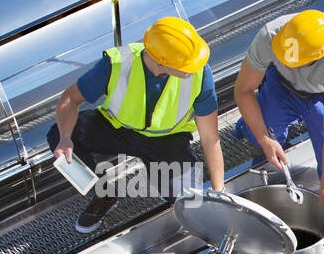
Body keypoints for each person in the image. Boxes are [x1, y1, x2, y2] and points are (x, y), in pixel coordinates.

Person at [50, 17, 224, 234]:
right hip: (117, 129)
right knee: (59, 134)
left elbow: (210, 138)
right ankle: (104, 194)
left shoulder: (199, 74)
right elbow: (69, 99)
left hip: (165, 140)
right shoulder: (117, 64)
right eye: (186, 65)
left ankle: (163, 181)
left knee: (188, 205)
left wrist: (219, 193)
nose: (193, 68)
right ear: (161, 62)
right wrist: (65, 137)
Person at [233, 10, 324, 219]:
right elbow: (243, 90)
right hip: (283, 87)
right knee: (256, 136)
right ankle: (263, 127)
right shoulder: (270, 35)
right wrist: (264, 138)